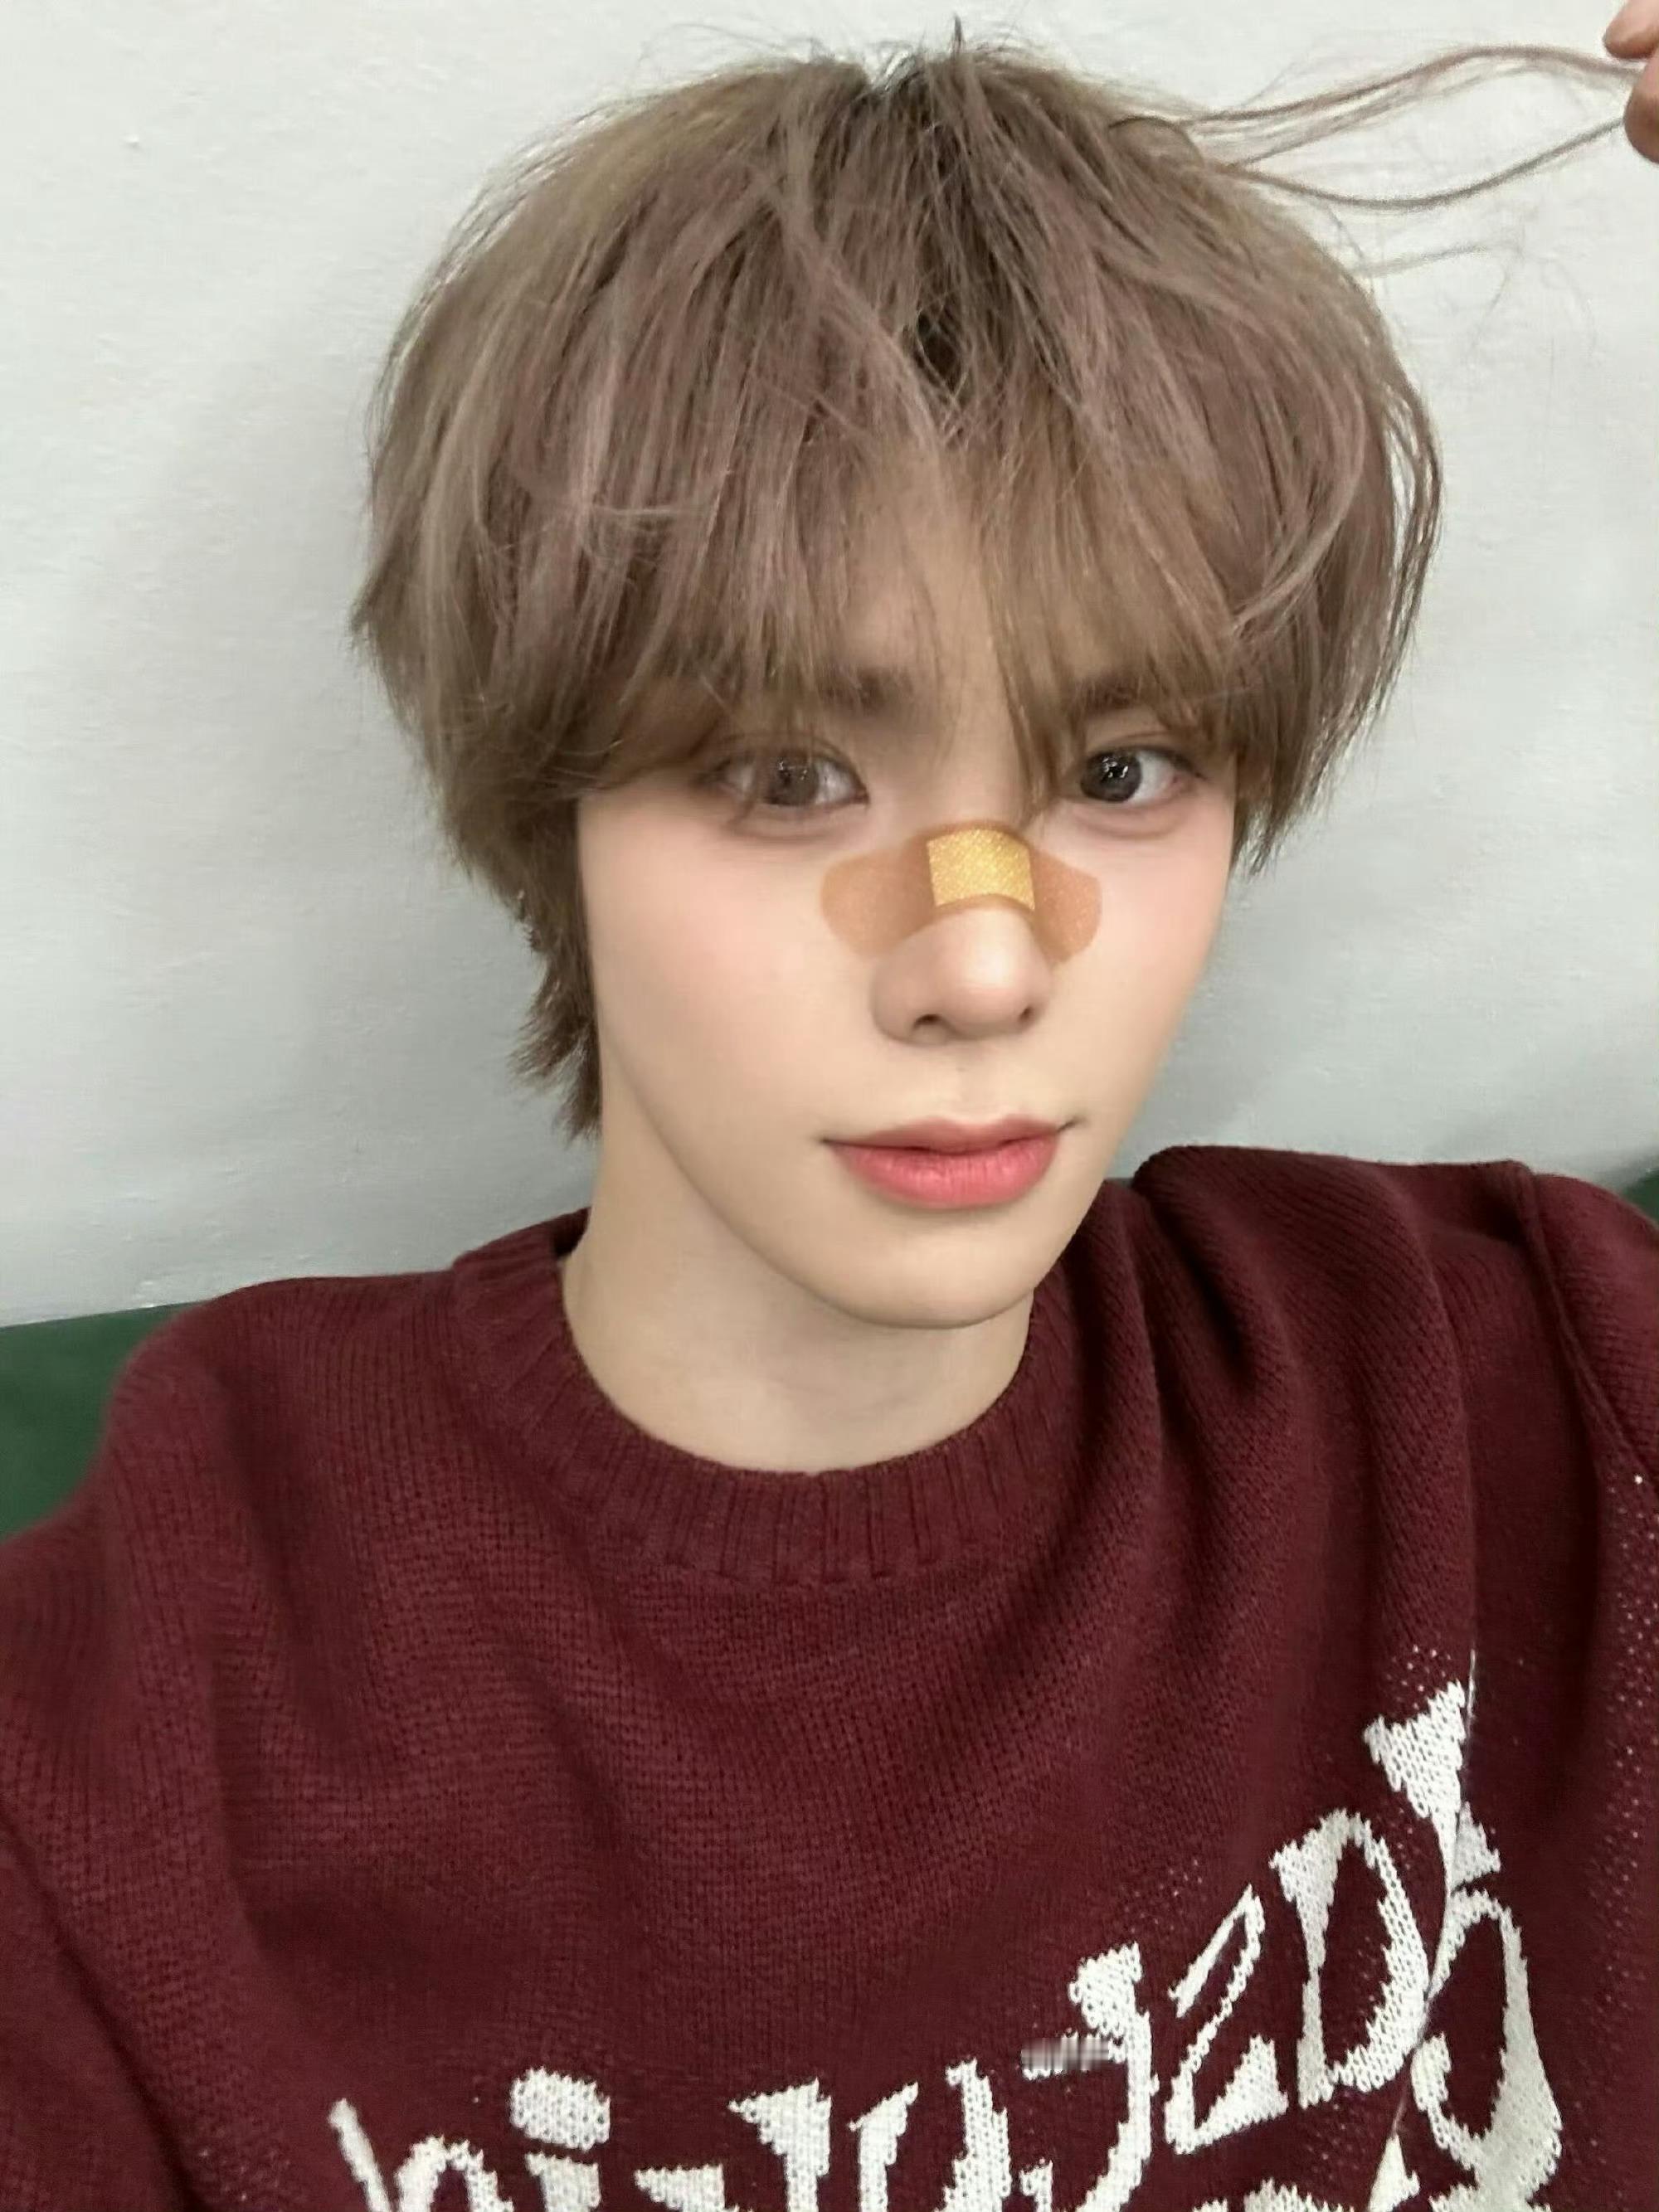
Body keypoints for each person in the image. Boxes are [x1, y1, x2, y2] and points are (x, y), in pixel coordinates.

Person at [2, 18, 1657, 2211]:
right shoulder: (159, 1722)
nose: (983, 963)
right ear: (551, 803)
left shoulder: (1516, 1380)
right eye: (790, 775)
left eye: (1122, 767)